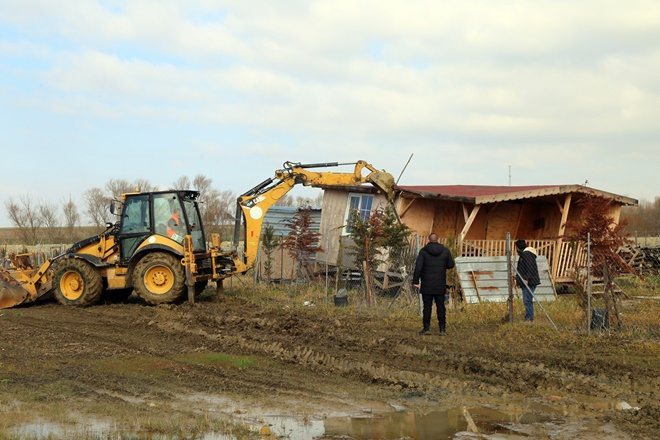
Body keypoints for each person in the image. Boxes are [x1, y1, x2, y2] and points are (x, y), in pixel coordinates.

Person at [412, 233, 455, 335]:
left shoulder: (423, 251)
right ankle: (442, 330)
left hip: (427, 284)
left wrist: (415, 281)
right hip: (440, 284)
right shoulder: (445, 251)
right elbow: (451, 264)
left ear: (429, 240)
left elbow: (418, 267)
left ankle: (426, 329)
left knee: (427, 307)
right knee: (441, 307)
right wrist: (442, 265)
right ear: (437, 239)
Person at [515, 239, 540, 321]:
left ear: (518, 247)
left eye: (516, 247)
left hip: (529, 281)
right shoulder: (525, 254)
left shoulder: (527, 254)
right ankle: (529, 317)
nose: (516, 249)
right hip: (528, 281)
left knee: (527, 300)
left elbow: (530, 267)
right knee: (527, 300)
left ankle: (529, 318)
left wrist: (526, 279)